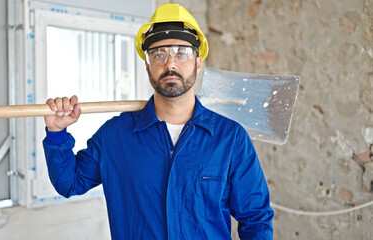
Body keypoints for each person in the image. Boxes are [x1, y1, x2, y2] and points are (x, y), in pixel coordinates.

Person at [43, 3, 274, 240]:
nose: (170, 64)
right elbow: (69, 183)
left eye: (181, 52)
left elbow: (256, 218)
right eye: (159, 54)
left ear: (197, 61)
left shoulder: (230, 138)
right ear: (147, 65)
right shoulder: (115, 135)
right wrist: (56, 132)